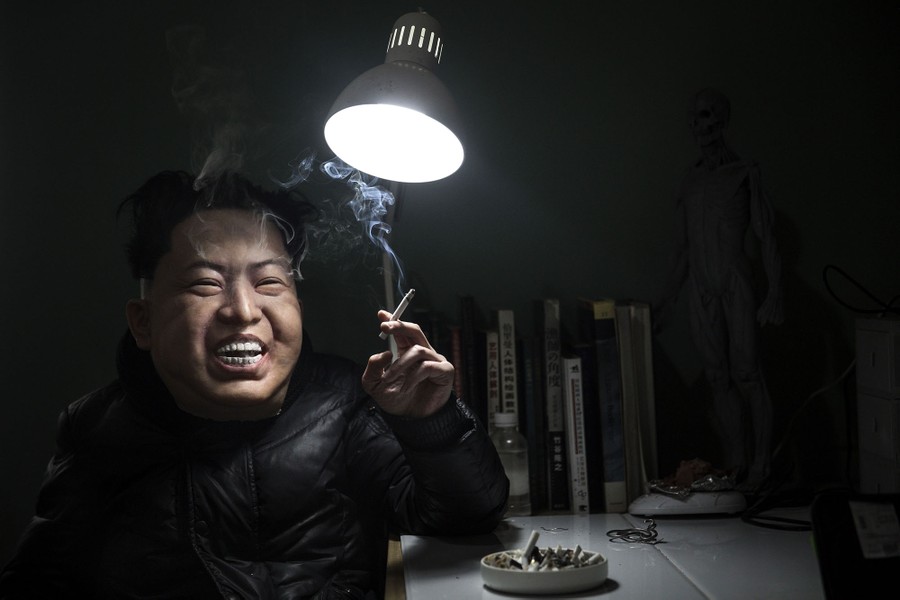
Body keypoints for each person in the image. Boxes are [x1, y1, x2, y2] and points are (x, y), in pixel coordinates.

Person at [0, 169, 508, 599]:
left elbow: (462, 519)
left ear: (297, 309)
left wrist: (431, 423)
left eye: (269, 283)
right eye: (205, 284)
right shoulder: (98, 429)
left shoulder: (344, 404)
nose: (243, 311)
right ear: (144, 322)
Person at [655, 88, 783, 491]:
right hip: (701, 286)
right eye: (695, 118)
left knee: (747, 371)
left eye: (708, 116)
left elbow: (766, 235)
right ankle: (737, 462)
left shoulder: (744, 173)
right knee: (717, 376)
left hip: (735, 280)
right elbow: (683, 248)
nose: (701, 125)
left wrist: (775, 292)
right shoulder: (690, 181)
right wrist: (667, 301)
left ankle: (762, 464)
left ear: (723, 120)